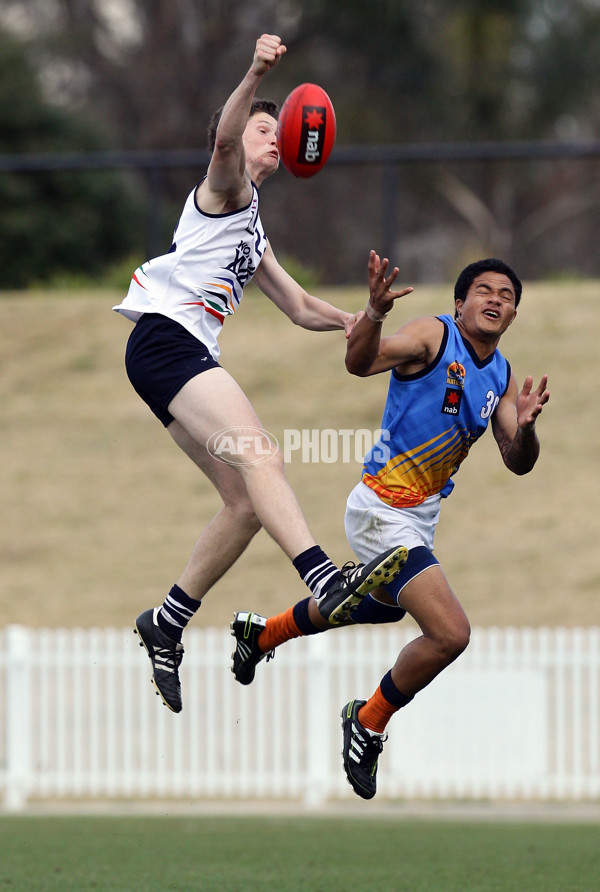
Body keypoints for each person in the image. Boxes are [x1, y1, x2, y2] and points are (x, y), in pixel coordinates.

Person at [113, 35, 407, 714]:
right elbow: (219, 143)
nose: (275, 139)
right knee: (262, 455)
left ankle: (168, 619)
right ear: (235, 136)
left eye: (280, 132)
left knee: (245, 502)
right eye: (262, 129)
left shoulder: (252, 223)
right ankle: (324, 577)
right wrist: (253, 70)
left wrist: (359, 317)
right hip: (169, 341)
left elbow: (300, 306)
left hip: (174, 354)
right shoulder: (223, 186)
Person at [231, 249, 550, 799]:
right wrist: (374, 313)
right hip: (383, 507)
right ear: (460, 302)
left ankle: (261, 633)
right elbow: (360, 362)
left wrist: (525, 428)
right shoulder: (434, 335)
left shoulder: (499, 373)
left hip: (418, 519)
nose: (496, 299)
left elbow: (517, 460)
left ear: (514, 315)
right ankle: (369, 719)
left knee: (372, 609)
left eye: (507, 296)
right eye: (485, 290)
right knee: (451, 634)